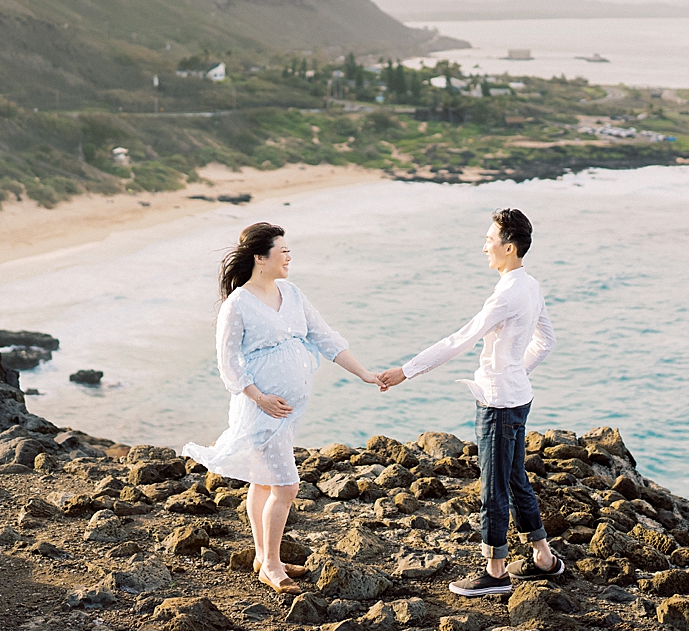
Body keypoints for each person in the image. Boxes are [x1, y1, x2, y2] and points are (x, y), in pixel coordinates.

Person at [182, 222, 379, 596]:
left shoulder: (291, 292)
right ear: (260, 257)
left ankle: (262, 557)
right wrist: (260, 398)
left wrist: (365, 374)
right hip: (261, 409)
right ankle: (271, 565)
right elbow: (228, 364)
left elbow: (325, 337)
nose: (289, 256)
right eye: (282, 250)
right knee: (287, 486)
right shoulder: (237, 305)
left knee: (264, 480)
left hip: (289, 411)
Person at [378, 207, 562, 597]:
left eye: (489, 240)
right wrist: (516, 371)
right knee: (515, 479)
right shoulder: (530, 286)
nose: (484, 248)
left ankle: (495, 573)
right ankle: (544, 559)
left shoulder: (506, 296)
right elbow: (547, 341)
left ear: (509, 248)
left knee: (493, 487)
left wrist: (405, 371)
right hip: (516, 396)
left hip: (497, 402)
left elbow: (458, 341)